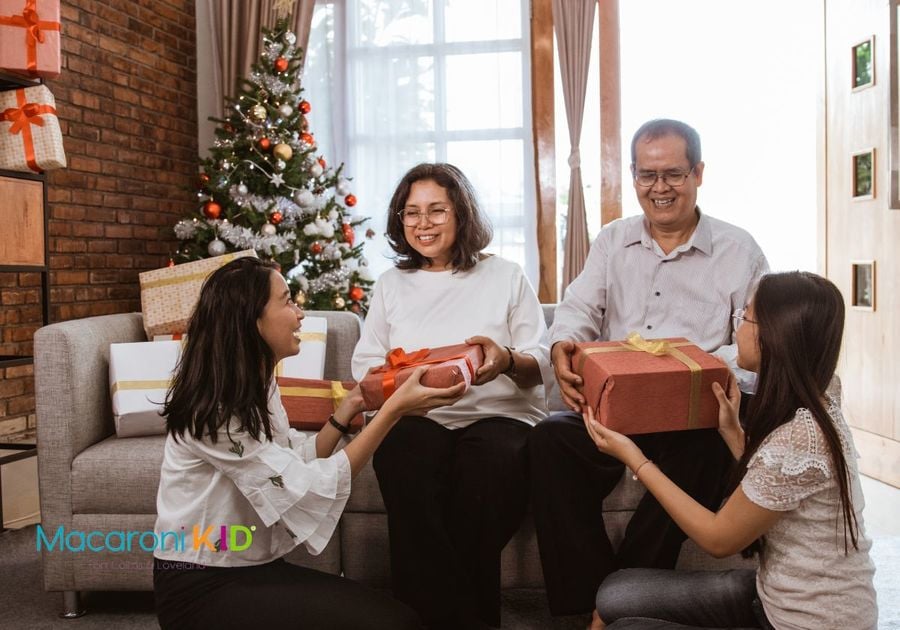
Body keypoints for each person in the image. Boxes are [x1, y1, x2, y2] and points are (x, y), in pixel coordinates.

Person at [530, 119, 771, 617]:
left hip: (694, 416)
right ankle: (585, 602)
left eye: (673, 174)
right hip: (614, 408)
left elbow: (754, 345)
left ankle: (626, 598)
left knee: (706, 449)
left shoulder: (738, 249)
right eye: (647, 175)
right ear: (633, 177)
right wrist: (564, 346)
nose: (659, 188)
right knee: (548, 441)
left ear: (698, 173)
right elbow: (576, 310)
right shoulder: (614, 241)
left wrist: (687, 371)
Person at [153, 256, 467, 630]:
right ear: (251, 319)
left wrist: (349, 407)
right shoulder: (214, 412)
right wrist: (393, 412)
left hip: (252, 568)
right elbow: (303, 488)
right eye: (287, 301)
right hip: (200, 584)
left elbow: (287, 464)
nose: (300, 314)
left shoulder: (258, 382)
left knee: (399, 620)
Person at [587, 271, 878, 629]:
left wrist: (635, 458)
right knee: (616, 593)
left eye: (745, 317)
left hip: (808, 621)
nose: (737, 328)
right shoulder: (821, 392)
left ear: (773, 336)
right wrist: (732, 433)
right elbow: (773, 485)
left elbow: (718, 538)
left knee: (625, 627)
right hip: (773, 598)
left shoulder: (801, 436)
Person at [351, 163, 552, 629]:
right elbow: (365, 367)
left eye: (437, 210)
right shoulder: (391, 285)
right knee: (403, 457)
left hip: (499, 414)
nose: (423, 223)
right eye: (411, 212)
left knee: (490, 469)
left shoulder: (504, 275)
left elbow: (540, 359)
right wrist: (406, 383)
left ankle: (425, 618)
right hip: (418, 415)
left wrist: (503, 358)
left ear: (461, 214)